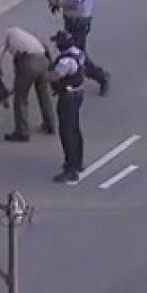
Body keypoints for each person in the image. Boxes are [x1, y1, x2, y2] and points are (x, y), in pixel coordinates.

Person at [47, 0, 110, 96]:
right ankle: (70, 77)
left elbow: (75, 3)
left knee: (77, 54)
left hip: (77, 22)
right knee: (75, 52)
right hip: (76, 20)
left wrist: (58, 3)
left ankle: (101, 77)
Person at [0, 26, 56, 143]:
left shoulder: (7, 36)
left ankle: (22, 132)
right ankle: (50, 125)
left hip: (28, 62)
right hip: (43, 60)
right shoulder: (29, 36)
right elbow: (45, 48)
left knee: (21, 97)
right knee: (43, 94)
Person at [46, 31, 86, 184]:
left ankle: (71, 169)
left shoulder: (65, 62)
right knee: (75, 129)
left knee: (67, 132)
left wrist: (43, 72)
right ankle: (78, 161)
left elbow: (54, 76)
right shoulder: (78, 53)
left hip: (68, 97)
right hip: (78, 93)